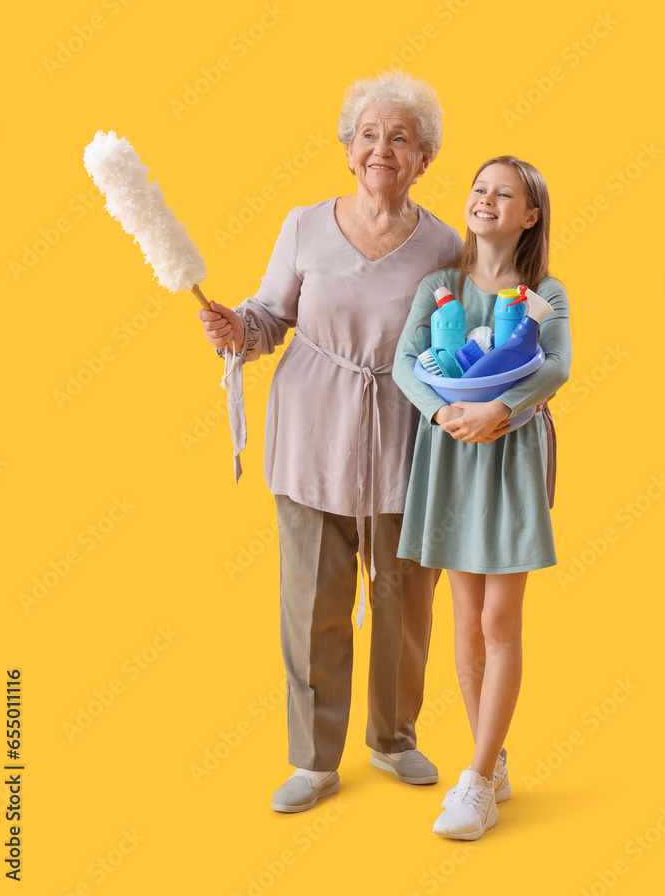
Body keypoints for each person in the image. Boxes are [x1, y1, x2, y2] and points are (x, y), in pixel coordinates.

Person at [198, 71, 462, 813]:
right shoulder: (303, 226)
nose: (382, 148)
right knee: (312, 599)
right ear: (349, 150)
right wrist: (237, 329)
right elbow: (269, 316)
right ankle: (314, 760)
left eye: (400, 138)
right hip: (313, 435)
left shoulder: (445, 243)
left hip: (406, 441)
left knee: (405, 600)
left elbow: (450, 345)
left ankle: (393, 739)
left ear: (424, 158)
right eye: (369, 135)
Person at [392, 155, 572, 840]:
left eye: (505, 194)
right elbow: (407, 362)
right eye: (478, 189)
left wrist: (500, 408)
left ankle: (473, 785)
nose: (486, 200)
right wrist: (442, 415)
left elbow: (555, 364)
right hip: (449, 456)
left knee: (500, 622)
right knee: (465, 623)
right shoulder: (439, 285)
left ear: (530, 215)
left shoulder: (544, 292)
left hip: (509, 460)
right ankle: (488, 762)